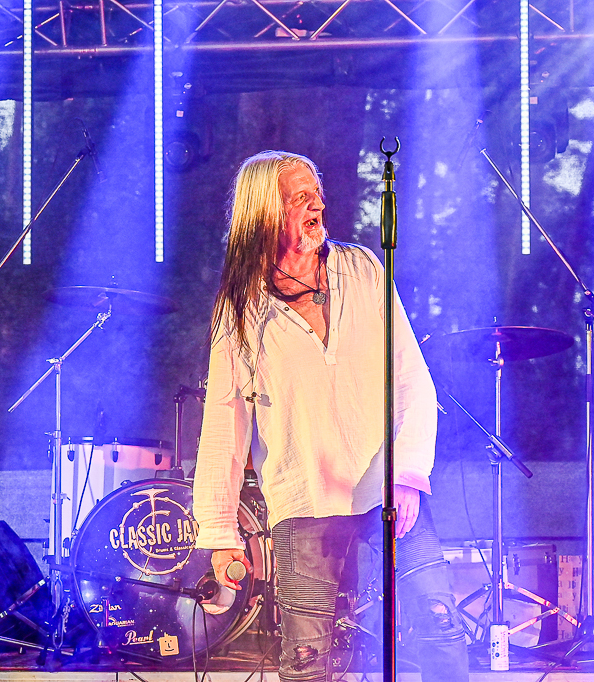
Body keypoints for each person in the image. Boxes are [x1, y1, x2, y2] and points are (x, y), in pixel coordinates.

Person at [192, 150, 469, 682]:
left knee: (440, 624)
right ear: (264, 212)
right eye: (300, 197)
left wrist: (408, 475)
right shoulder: (240, 307)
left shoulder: (363, 269)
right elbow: (224, 425)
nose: (316, 205)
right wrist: (221, 532)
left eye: (316, 193)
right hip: (304, 501)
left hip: (387, 492)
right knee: (307, 661)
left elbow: (412, 380)